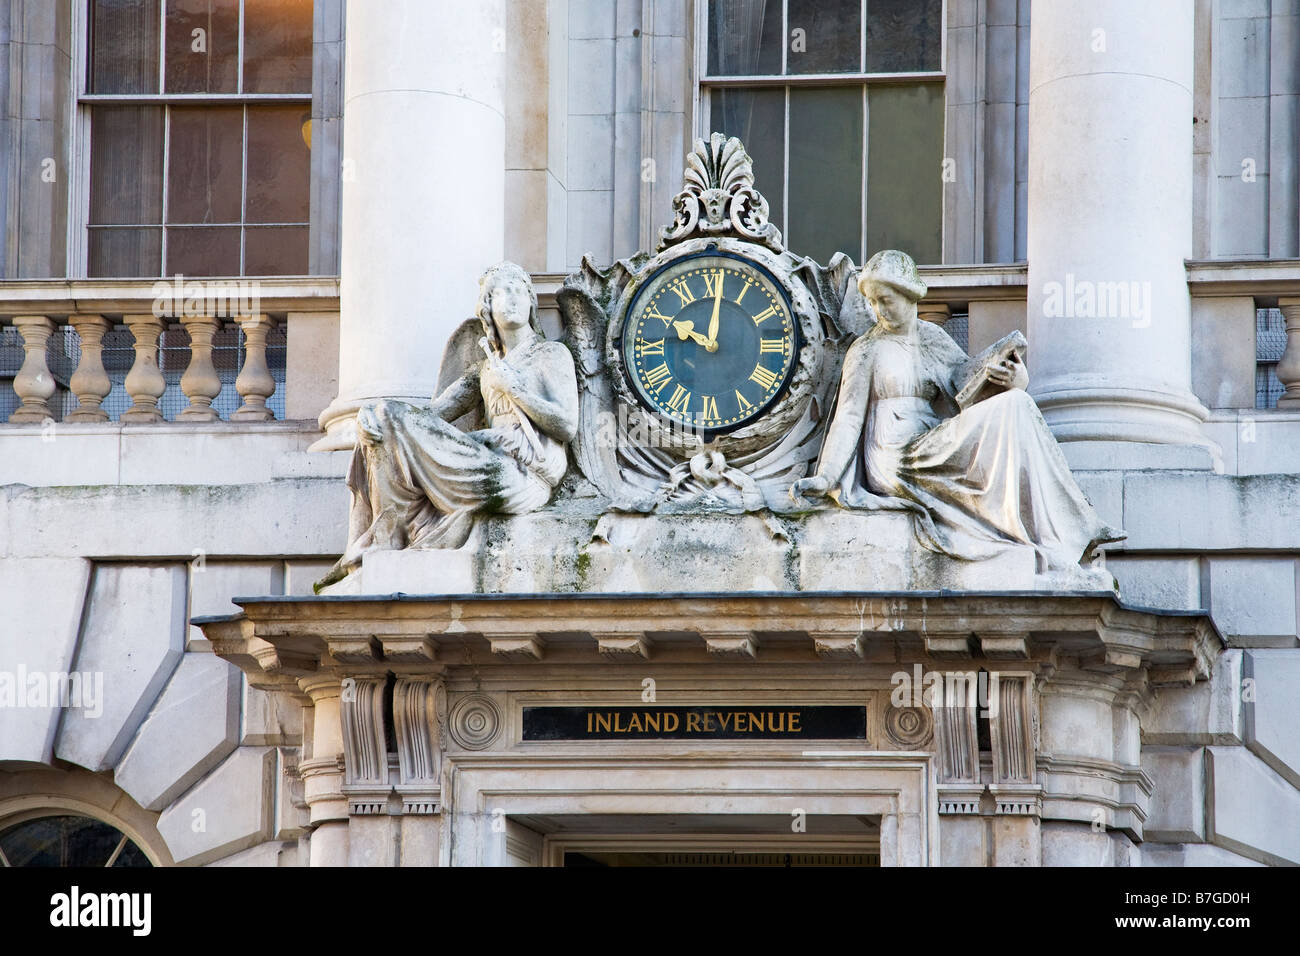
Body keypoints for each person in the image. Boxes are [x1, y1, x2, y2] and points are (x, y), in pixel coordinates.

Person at [790, 249, 1123, 571]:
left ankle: (1060, 534)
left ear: (909, 296)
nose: (879, 311)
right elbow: (849, 417)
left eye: (886, 300)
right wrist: (827, 477)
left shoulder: (933, 338)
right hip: (893, 456)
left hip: (932, 440)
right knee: (1010, 412)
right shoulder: (866, 349)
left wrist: (1016, 381)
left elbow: (967, 390)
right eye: (874, 302)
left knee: (1016, 404)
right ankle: (1042, 536)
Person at [319, 262, 578, 587]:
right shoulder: (485, 368)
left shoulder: (551, 355)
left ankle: (391, 538)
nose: (512, 299)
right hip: (487, 456)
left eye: (519, 291)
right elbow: (429, 417)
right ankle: (386, 538)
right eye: (502, 292)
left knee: (389, 418)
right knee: (383, 419)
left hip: (524, 474)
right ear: (488, 308)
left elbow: (566, 424)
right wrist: (372, 419)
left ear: (531, 302)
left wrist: (514, 388)